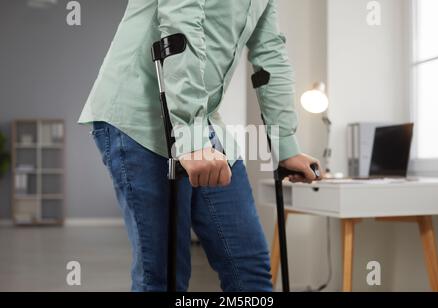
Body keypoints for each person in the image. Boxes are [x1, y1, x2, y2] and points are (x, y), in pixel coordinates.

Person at [79, 0, 322, 292]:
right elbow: (180, 26)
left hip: (199, 116)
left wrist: (285, 143)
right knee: (164, 276)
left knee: (251, 270)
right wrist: (192, 139)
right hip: (139, 114)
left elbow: (270, 52)